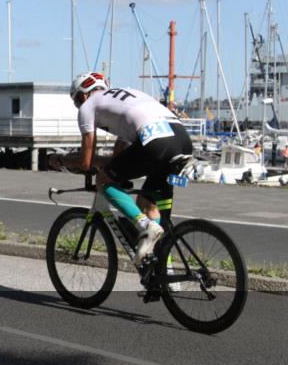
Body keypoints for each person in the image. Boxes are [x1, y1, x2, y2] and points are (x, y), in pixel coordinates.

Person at [49, 72, 193, 265]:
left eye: (76, 101)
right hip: (181, 139)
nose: (78, 105)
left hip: (156, 141)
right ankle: (166, 274)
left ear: (83, 95)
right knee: (148, 203)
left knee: (102, 180)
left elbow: (85, 162)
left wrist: (61, 160)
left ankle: (144, 226)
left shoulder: (88, 107)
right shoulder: (125, 97)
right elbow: (117, 159)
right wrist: (103, 165)